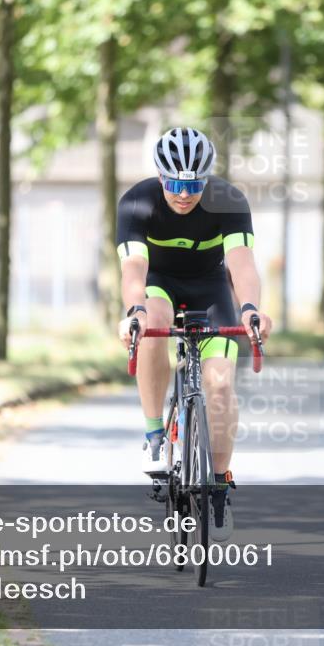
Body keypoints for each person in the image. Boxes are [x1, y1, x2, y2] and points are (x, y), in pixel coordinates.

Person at [115, 127, 273, 542]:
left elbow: (241, 264)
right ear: (160, 177)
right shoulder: (137, 201)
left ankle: (219, 486)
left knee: (219, 385)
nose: (184, 194)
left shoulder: (229, 201)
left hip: (212, 287)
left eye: (194, 184)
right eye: (175, 183)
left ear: (207, 179)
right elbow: (133, 269)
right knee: (152, 321)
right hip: (160, 284)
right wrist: (134, 311)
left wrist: (252, 309)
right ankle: (154, 432)